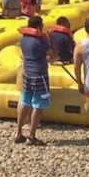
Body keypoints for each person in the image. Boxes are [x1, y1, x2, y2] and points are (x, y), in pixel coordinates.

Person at [15, 15, 52, 146]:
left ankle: (18, 133)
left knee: (25, 102)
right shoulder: (40, 41)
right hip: (39, 74)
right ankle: (32, 136)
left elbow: (25, 55)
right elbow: (54, 55)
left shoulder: (23, 39)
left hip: (28, 73)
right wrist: (50, 40)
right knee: (38, 106)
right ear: (38, 26)